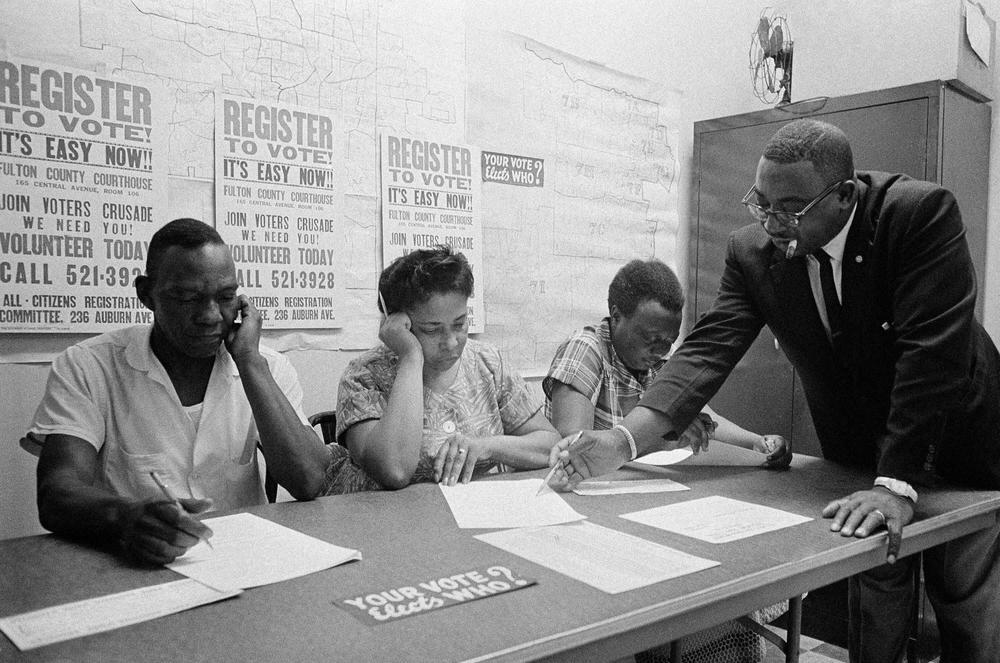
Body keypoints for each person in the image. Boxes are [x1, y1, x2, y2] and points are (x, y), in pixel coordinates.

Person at [549, 119, 1000, 662]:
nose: (772, 222)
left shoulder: (917, 215)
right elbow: (705, 352)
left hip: (956, 440)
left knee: (965, 595)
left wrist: (897, 482)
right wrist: (622, 442)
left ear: (844, 196)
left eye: (790, 208)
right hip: (862, 450)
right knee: (877, 580)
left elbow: (932, 356)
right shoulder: (753, 249)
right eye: (761, 203)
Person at [29, 218, 354, 565]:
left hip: (245, 560)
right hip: (137, 564)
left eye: (227, 297)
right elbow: (57, 493)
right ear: (146, 294)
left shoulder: (264, 366)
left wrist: (249, 363)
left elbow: (309, 480)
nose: (211, 315)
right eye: (187, 298)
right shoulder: (88, 366)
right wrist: (125, 517)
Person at [335, 246, 559, 489]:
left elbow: (550, 445)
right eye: (431, 329)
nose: (451, 342)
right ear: (397, 323)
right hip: (391, 522)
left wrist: (487, 447)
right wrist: (411, 357)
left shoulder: (487, 363)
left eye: (460, 324)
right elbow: (394, 471)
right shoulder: (363, 376)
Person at [544, 257, 790, 467]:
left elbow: (701, 413)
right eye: (651, 339)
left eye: (668, 341)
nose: (660, 350)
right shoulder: (585, 349)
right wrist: (663, 440)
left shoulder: (658, 357)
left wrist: (756, 443)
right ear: (617, 316)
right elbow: (573, 450)